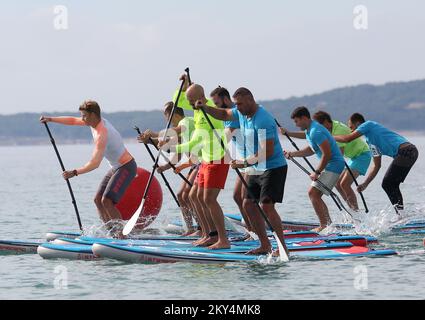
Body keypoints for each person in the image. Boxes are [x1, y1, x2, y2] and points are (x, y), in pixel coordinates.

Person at [194, 87, 289, 256]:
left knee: (266, 206)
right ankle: (265, 245)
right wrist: (205, 108)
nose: (237, 108)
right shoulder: (240, 112)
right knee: (248, 204)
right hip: (254, 167)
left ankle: (282, 247)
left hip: (273, 166)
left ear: (250, 100)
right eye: (236, 104)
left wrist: (244, 162)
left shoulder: (263, 119)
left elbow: (266, 152)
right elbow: (223, 115)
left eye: (240, 104)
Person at [40, 100, 137, 236]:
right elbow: (73, 120)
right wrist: (50, 119)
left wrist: (74, 172)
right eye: (82, 116)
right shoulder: (93, 122)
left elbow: (95, 164)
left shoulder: (102, 133)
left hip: (127, 166)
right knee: (97, 200)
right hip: (116, 167)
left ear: (93, 115)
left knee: (106, 201)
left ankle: (122, 235)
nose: (82, 119)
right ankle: (111, 233)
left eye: (84, 116)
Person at [165, 76, 231, 249]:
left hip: (218, 159)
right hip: (206, 160)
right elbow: (177, 100)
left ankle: (223, 240)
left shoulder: (206, 111)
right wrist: (186, 84)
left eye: (191, 101)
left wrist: (171, 146)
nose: (187, 104)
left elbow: (195, 143)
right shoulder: (196, 108)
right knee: (198, 197)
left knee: (209, 199)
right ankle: (209, 235)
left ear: (198, 99)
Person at [137, 101, 199, 236]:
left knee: (189, 195)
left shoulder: (187, 122)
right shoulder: (180, 128)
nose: (166, 120)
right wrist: (164, 166)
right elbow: (176, 154)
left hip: (201, 164)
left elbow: (168, 133)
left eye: (166, 116)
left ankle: (202, 228)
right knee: (181, 195)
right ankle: (191, 229)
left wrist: (153, 135)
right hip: (193, 165)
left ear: (172, 114)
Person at [334, 113, 419, 211]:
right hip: (407, 154)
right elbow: (376, 166)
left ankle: (401, 215)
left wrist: (330, 136)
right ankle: (401, 214)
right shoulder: (371, 143)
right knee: (391, 184)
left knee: (388, 184)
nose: (351, 130)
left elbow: (347, 139)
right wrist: (365, 184)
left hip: (407, 151)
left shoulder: (368, 124)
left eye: (351, 127)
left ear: (358, 123)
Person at [283, 107, 345, 232]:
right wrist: (292, 154)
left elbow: (326, 154)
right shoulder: (310, 130)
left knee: (313, 193)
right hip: (331, 165)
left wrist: (316, 172)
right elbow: (310, 150)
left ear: (304, 118)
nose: (296, 124)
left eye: (297, 121)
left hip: (334, 165)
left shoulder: (316, 131)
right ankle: (327, 225)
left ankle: (324, 225)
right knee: (315, 194)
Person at [209, 86, 254, 234]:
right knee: (237, 196)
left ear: (225, 99)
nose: (216, 106)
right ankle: (250, 230)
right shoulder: (225, 117)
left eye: (217, 103)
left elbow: (225, 137)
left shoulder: (236, 113)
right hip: (240, 159)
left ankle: (255, 231)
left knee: (246, 199)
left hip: (251, 159)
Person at [312, 111, 371, 211]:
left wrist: (322, 169)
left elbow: (339, 154)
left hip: (362, 155)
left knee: (344, 184)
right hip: (353, 157)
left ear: (326, 122)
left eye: (320, 126)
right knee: (337, 184)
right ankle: (352, 211)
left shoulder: (339, 129)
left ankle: (356, 212)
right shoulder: (327, 129)